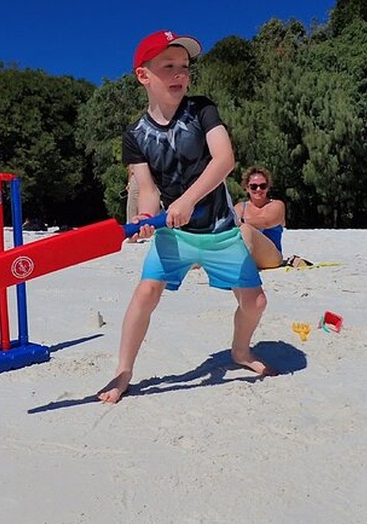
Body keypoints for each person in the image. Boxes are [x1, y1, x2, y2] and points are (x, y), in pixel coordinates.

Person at [98, 30, 275, 404]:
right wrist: (147, 216)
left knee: (255, 302)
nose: (180, 73)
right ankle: (123, 371)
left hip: (221, 230)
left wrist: (188, 199)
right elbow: (147, 189)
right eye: (169, 66)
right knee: (145, 293)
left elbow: (224, 160)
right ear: (143, 76)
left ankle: (240, 351)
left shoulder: (202, 109)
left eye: (185, 66)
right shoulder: (134, 135)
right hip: (174, 234)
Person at [233, 165, 286, 269]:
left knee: (245, 228)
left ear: (268, 187)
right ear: (247, 188)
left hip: (272, 258)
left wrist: (242, 221)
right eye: (253, 186)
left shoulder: (277, 205)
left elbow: (266, 222)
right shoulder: (240, 207)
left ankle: (240, 266)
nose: (258, 189)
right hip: (250, 255)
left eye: (262, 186)